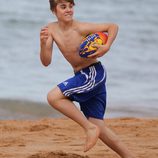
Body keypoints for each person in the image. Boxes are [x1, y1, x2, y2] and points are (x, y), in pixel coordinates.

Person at [40, 0, 136, 157]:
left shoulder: (80, 28)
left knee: (53, 97)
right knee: (100, 126)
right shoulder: (50, 30)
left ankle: (88, 128)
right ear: (53, 11)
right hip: (83, 76)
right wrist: (43, 44)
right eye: (63, 7)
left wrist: (107, 46)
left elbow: (112, 26)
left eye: (71, 6)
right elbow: (46, 62)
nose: (68, 10)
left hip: (92, 73)